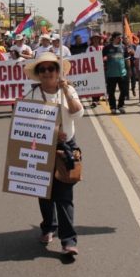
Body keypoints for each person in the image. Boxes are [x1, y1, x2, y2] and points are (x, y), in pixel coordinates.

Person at [24, 52, 84, 256]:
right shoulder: (31, 95)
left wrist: (66, 89)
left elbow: (78, 113)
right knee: (44, 193)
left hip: (67, 148)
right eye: (43, 70)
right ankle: (49, 227)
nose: (47, 73)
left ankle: (68, 240)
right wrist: (51, 134)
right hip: (41, 148)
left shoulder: (68, 90)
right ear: (38, 74)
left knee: (65, 196)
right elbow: (24, 124)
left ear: (58, 72)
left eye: (51, 69)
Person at [102, 32, 128, 115]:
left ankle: (120, 106)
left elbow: (127, 59)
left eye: (121, 38)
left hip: (122, 73)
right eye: (118, 38)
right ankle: (113, 107)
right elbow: (102, 58)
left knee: (124, 91)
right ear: (113, 38)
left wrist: (129, 70)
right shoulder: (106, 48)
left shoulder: (124, 47)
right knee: (111, 92)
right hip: (111, 74)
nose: (120, 39)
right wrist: (104, 59)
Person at [87, 33, 104, 108]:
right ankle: (94, 100)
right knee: (93, 84)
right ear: (92, 40)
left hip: (101, 68)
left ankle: (97, 99)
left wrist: (104, 59)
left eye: (97, 38)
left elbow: (105, 55)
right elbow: (86, 58)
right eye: (94, 38)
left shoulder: (102, 47)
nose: (96, 40)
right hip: (92, 69)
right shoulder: (89, 49)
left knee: (100, 84)